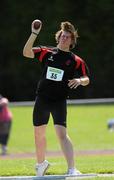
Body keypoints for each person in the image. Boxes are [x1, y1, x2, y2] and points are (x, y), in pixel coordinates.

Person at [23, 20, 90, 176]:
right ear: (58, 37)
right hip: (43, 98)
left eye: (67, 37)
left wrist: (79, 81)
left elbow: (87, 78)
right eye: (62, 36)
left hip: (59, 101)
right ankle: (41, 165)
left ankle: (72, 169)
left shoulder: (76, 60)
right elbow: (26, 52)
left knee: (61, 134)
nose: (63, 38)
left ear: (72, 41)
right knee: (38, 133)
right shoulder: (48, 52)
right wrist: (34, 34)